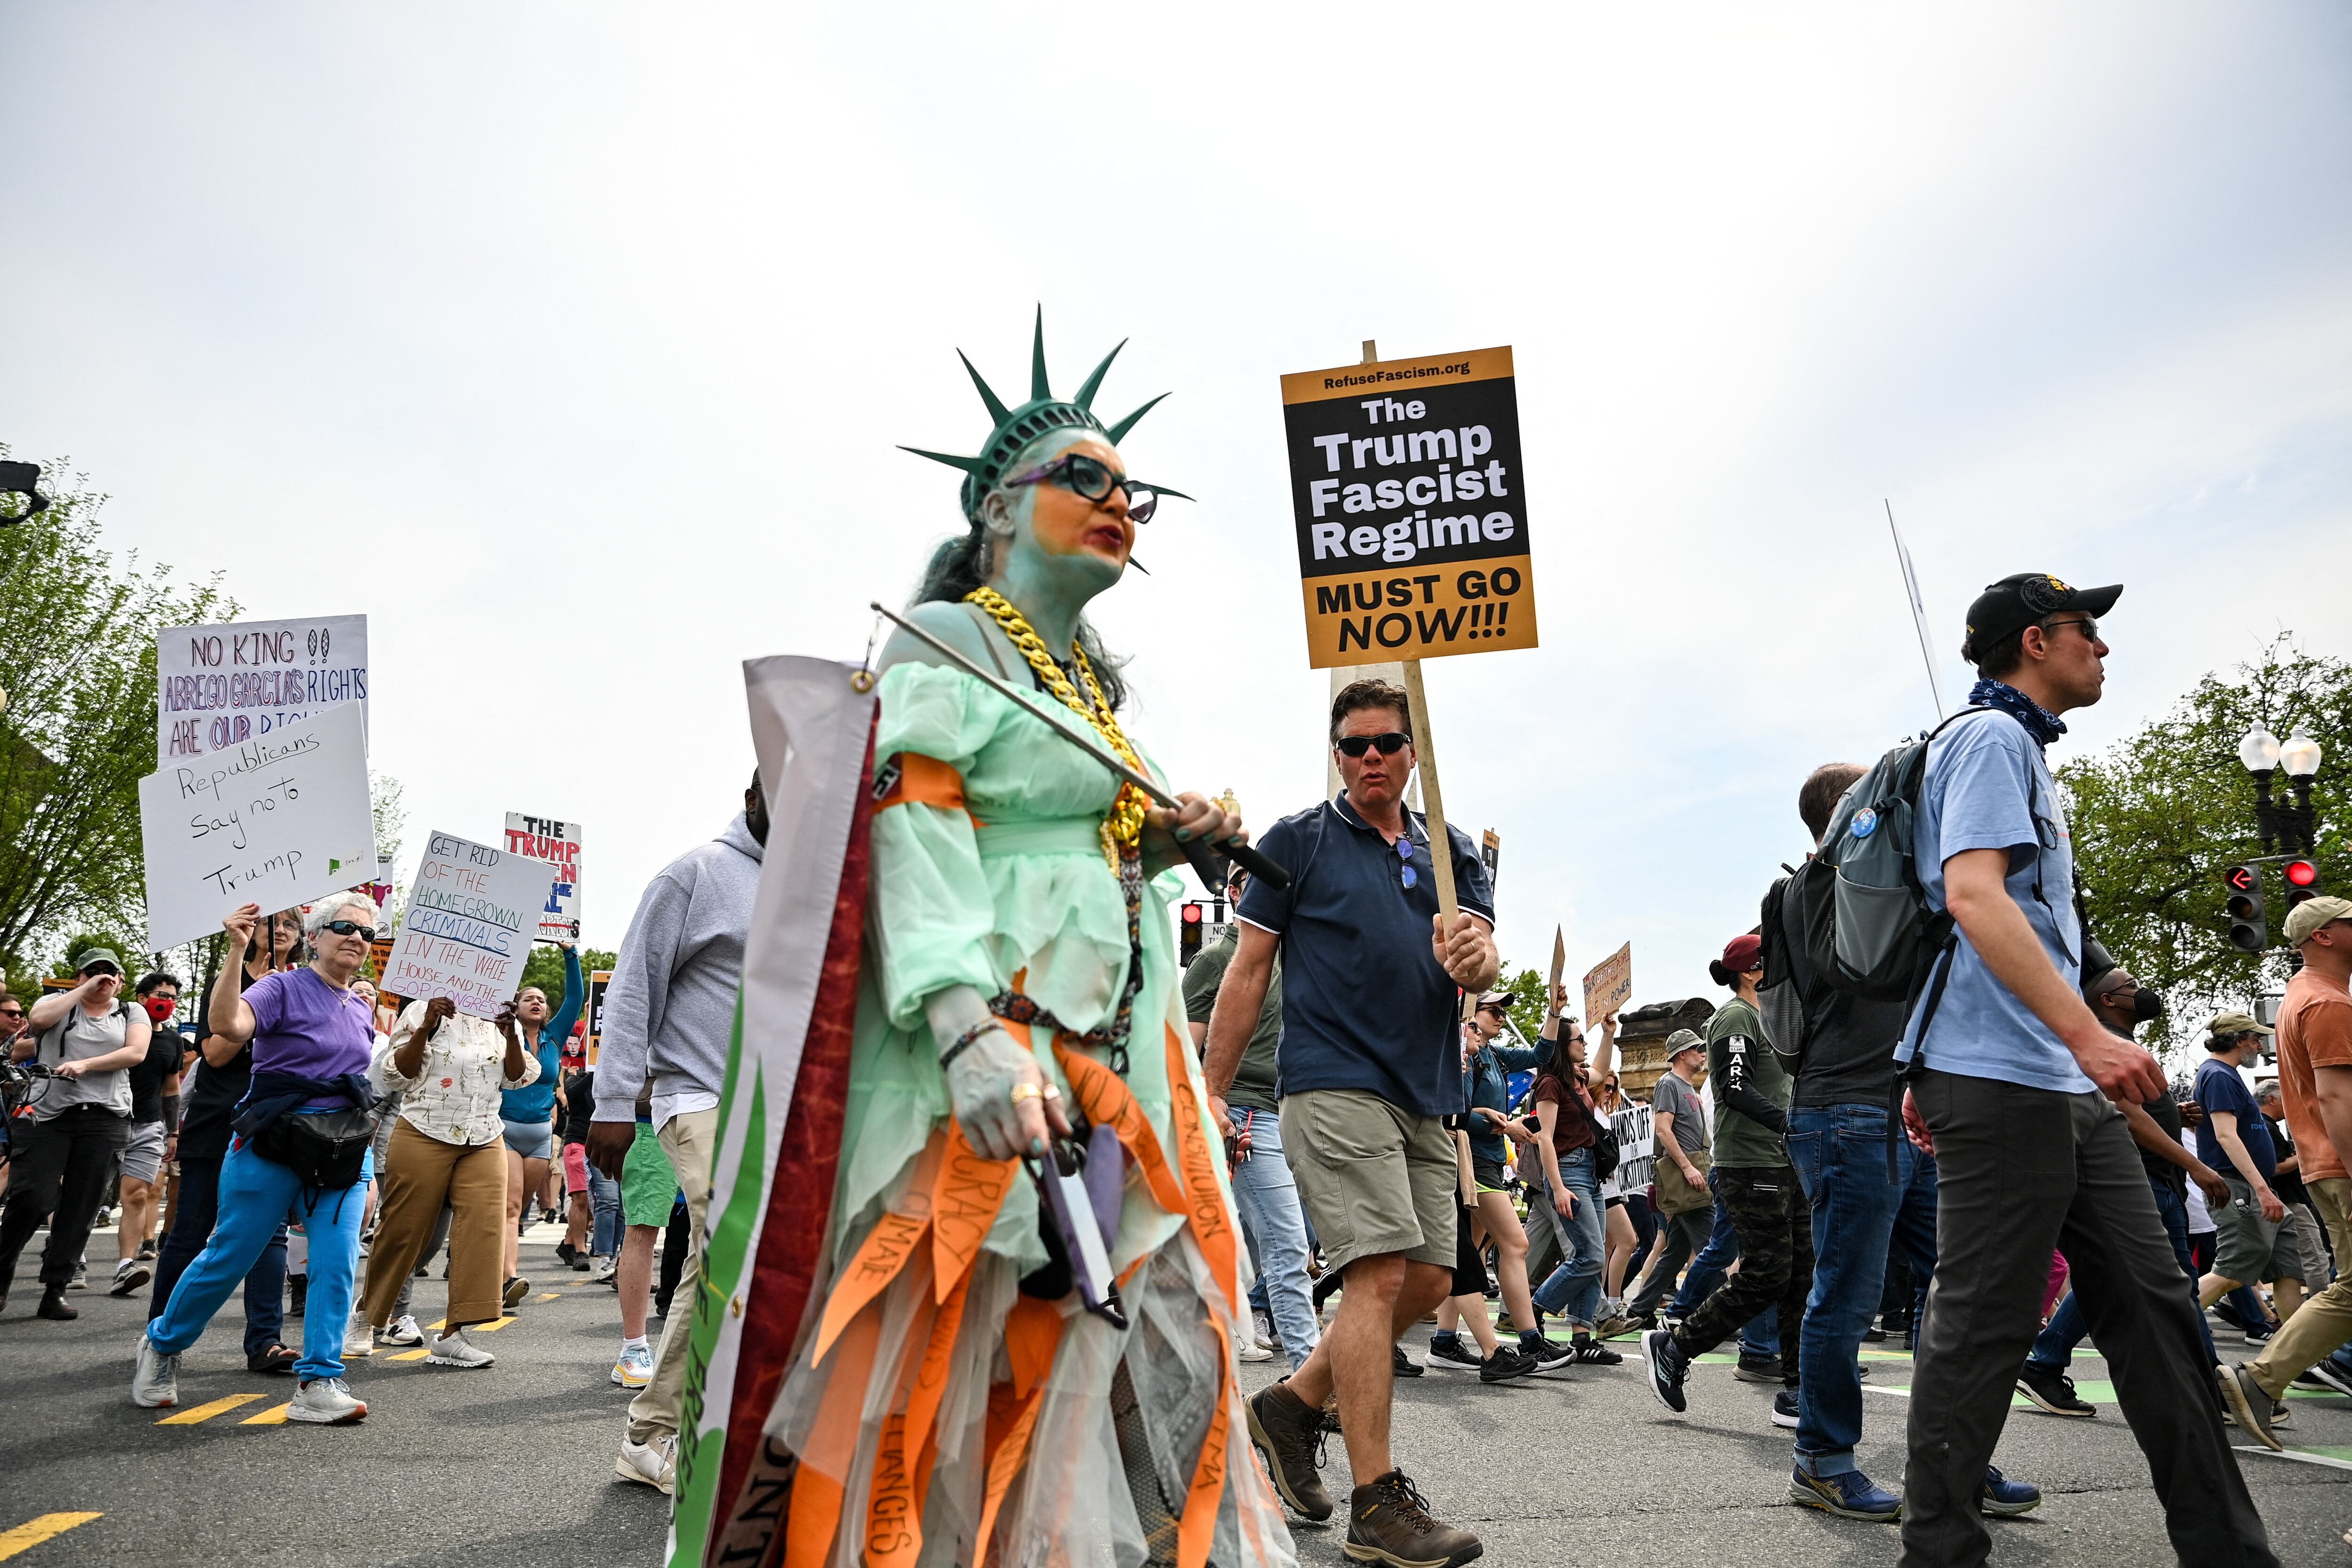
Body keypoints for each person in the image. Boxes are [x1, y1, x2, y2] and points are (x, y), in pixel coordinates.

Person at [736, 326, 1292, 1566]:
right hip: (989, 1077)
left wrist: (1165, 840)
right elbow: (918, 829)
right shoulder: (948, 645)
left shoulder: (1088, 686)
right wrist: (966, 1028)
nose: (1122, 507)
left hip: (1120, 1071)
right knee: (957, 1386)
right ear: (1001, 507)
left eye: (1132, 493)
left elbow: (1072, 851)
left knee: (1102, 1354)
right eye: (1088, 480)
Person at [1883, 573, 2273, 1566]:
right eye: (2085, 633)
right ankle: (1938, 1551)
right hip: (2001, 1078)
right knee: (1983, 1330)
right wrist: (2089, 1036)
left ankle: (2229, 1549)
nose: (2101, 649)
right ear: (2034, 638)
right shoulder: (1986, 738)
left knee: (2157, 1310)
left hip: (2055, 1082)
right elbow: (1973, 895)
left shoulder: (2024, 752)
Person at [1215, 674, 1497, 1566]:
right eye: (1353, 746)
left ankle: (1292, 1405)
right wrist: (1209, 1091)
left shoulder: (1453, 850)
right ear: (1336, 755)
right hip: (1331, 1082)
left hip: (1425, 1090)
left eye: (1386, 743)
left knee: (1427, 1277)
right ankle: (1378, 1504)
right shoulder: (1296, 842)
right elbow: (1248, 970)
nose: (1370, 758)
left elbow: (1483, 963)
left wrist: (1480, 958)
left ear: (1414, 753)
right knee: (1375, 1276)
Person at [136, 894, 383, 1424]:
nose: (356, 937)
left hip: (340, 1149)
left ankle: (319, 1379)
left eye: (366, 932)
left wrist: (371, 1173)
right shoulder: (280, 986)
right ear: (314, 937)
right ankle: (162, 1346)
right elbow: (228, 1026)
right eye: (343, 926)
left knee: (337, 1263)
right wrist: (236, 950)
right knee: (231, 1254)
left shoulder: (363, 1008)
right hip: (273, 1141)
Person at [587, 783, 764, 1493]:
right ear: (754, 792)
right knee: (733, 1244)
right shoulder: (693, 873)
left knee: (717, 1258)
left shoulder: (811, 884)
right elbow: (633, 987)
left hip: (772, 1105)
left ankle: (660, 1430)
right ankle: (655, 1429)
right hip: (698, 1095)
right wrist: (611, 1100)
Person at [2016, 969, 2231, 1419]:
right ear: (2110, 999)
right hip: (2142, 1181)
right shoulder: (2105, 1043)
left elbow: (2137, 1109)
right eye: (2132, 984)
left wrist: (2175, 1113)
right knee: (2162, 1284)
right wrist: (2197, 1165)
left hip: (2159, 1181)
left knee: (2163, 1284)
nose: (2144, 989)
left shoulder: (2119, 1043)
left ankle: (2047, 1359)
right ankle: (2210, 1383)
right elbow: (2125, 1116)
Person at [1642, 935, 1814, 1421]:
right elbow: (1735, 1089)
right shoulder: (1735, 1017)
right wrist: (1789, 1124)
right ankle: (1674, 1347)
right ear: (1752, 971)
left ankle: (1797, 1390)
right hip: (1750, 1164)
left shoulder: (1772, 1018)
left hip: (1784, 1161)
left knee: (1800, 1275)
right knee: (1767, 1275)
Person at [150, 910, 302, 1374]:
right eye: (272, 923)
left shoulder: (303, 986)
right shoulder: (228, 980)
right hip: (218, 1122)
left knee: (269, 1236)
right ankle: (160, 1336)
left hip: (274, 1126)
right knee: (191, 1231)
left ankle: (265, 1343)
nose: (280, 930)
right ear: (250, 931)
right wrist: (259, 1001)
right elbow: (214, 1052)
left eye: (291, 925)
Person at [2225, 896, 2352, 1442]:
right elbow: (2335, 1098)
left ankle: (2256, 1381)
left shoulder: (2302, 997)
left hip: (2324, 1167)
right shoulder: (2326, 1003)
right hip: (2341, 1165)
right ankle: (2257, 1379)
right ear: (2322, 935)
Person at [1185, 863, 1320, 1370]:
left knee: (1284, 1237)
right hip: (1240, 1113)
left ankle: (1234, 1317)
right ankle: (1307, 1381)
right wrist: (1205, 1111)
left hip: (1294, 1112)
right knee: (1287, 1242)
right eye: (1254, 881)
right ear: (1235, 893)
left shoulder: (1295, 958)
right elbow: (1185, 1048)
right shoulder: (1217, 957)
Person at [357, 992, 539, 1368]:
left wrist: (509, 1036)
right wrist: (426, 1027)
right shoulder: (422, 1010)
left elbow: (518, 1076)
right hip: (425, 1129)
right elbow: (398, 1074)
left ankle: (453, 1334)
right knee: (404, 1230)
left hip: (485, 1135)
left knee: (483, 1230)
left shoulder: (502, 1016)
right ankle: (365, 1316)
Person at [0, 948, 151, 1320]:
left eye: (110, 971)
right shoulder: (57, 1002)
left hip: (105, 1118)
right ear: (79, 976)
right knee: (32, 1197)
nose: (103, 977)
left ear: (121, 978)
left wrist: (85, 1064)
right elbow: (37, 1020)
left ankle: (56, 1288)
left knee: (82, 1206)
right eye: (93, 971)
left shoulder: (132, 1011)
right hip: (50, 1116)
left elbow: (136, 1052)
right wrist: (80, 991)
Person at [1435, 990, 1563, 1370]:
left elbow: (1541, 1055)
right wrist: (1507, 1126)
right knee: (1516, 1243)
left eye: (1505, 1010)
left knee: (1464, 1256)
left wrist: (1554, 1011)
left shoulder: (1493, 1055)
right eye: (1495, 1009)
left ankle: (1444, 1340)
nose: (1503, 1016)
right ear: (1471, 1015)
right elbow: (1455, 1113)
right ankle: (1529, 1340)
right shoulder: (1464, 1056)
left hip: (1486, 1159)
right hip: (1471, 1161)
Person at [1525, 1003, 1626, 1363]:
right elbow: (1545, 1138)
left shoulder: (1579, 1078)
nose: (1585, 1043)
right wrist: (1559, 1186)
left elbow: (1600, 1068)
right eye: (1579, 1039)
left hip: (1589, 1173)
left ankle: (1582, 1339)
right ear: (1562, 1046)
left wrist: (1609, 1032)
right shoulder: (1550, 1084)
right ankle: (1532, 1312)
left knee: (1591, 1257)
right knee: (1591, 1254)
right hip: (1568, 1172)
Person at [2193, 1015, 2301, 1326]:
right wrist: (2263, 1189)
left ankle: (2296, 1352)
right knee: (2231, 1271)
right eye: (2256, 1038)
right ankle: (2159, 1327)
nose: (2259, 1044)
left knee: (2287, 1269)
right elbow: (2226, 1135)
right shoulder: (2218, 1075)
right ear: (2239, 1040)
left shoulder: (2228, 1074)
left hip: (2256, 1188)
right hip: (2240, 1187)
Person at [497, 941, 581, 1306]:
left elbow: (576, 998)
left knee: (516, 1212)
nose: (537, 1002)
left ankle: (492, 1266)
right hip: (504, 1129)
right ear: (514, 1006)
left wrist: (570, 953)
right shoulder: (502, 1034)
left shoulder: (554, 1037)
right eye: (529, 997)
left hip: (539, 1135)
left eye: (542, 999)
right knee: (510, 1206)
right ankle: (509, 1279)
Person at [107, 971, 189, 1296]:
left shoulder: (172, 1041)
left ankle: (124, 1265)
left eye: (172, 998)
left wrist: (173, 1132)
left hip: (149, 1125)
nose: (167, 1002)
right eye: (161, 995)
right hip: (107, 1121)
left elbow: (172, 1087)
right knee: (87, 1195)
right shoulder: (118, 1028)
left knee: (138, 1193)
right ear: (142, 998)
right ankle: (69, 1255)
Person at [1626, 1030, 1712, 1328]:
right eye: (1695, 1049)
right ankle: (1710, 1314)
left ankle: (1640, 1309)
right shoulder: (1669, 1083)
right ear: (1681, 1055)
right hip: (1688, 1178)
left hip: (1694, 1173)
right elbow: (1663, 1130)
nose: (1702, 1053)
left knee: (1676, 1251)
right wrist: (1688, 1168)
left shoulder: (1689, 1087)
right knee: (1714, 1248)